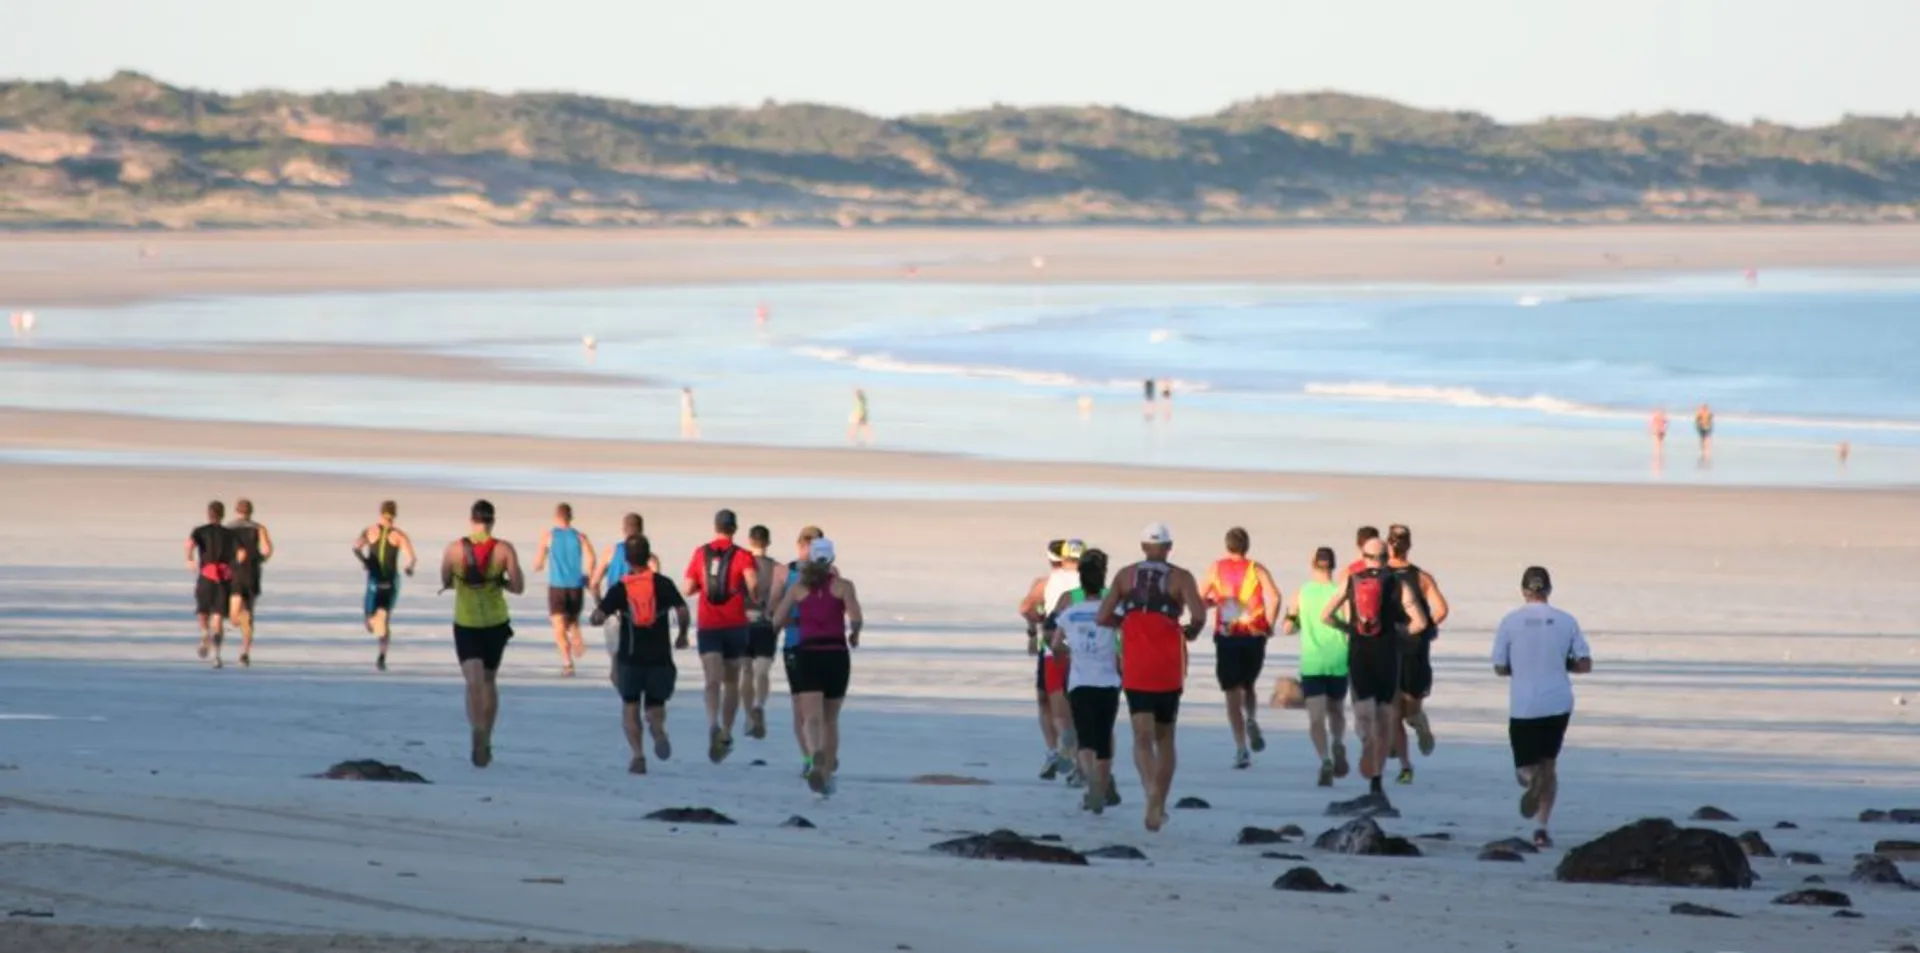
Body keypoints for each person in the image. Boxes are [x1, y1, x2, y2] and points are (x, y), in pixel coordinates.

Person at [1096, 523, 1208, 832]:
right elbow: (1198, 615)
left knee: (1141, 736)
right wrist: (1190, 632)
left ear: (1144, 547)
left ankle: (1150, 790)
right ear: (1169, 547)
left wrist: (1127, 621)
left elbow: (1102, 617)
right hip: (1169, 665)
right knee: (1165, 736)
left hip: (1137, 664)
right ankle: (1160, 800)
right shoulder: (1181, 577)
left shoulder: (1124, 575)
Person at [1320, 537, 1429, 812]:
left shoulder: (1351, 580)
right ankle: (1377, 779)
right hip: (1387, 655)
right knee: (1384, 715)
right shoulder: (1398, 582)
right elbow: (1420, 622)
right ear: (1386, 556)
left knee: (1362, 710)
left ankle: (1364, 737)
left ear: (1363, 555)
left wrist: (1350, 630)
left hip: (1359, 654)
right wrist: (1400, 632)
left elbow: (1326, 616)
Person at [1492, 566, 1592, 849]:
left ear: (1524, 591)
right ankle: (1541, 828)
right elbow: (1585, 664)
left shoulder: (1511, 622)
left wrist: (1520, 666)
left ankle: (1533, 781)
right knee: (1549, 766)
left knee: (1526, 768)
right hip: (1559, 701)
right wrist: (1561, 663)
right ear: (1548, 590)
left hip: (1525, 703)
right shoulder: (1566, 621)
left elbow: (1499, 667)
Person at [768, 537, 863, 796]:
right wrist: (854, 635)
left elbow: (776, 620)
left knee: (811, 717)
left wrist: (782, 630)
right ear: (832, 559)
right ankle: (826, 774)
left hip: (807, 654)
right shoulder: (844, 586)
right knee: (831, 720)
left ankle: (814, 754)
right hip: (836, 655)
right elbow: (855, 618)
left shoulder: (799, 588)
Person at [589, 534, 690, 775]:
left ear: (627, 559)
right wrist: (682, 634)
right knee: (656, 705)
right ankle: (658, 731)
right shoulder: (663, 583)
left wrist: (599, 616)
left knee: (630, 706)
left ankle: (638, 755)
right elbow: (682, 609)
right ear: (649, 555)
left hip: (630, 658)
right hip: (660, 658)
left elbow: (597, 616)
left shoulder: (621, 588)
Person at [439, 500, 525, 768]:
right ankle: (487, 733)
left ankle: (476, 728)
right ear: (492, 521)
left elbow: (444, 580)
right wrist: (498, 582)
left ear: (471, 520)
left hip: (466, 623)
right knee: (489, 680)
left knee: (472, 681)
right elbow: (518, 586)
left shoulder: (454, 549)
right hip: (496, 623)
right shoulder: (504, 549)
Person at [1045, 549, 1124, 814]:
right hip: (1110, 676)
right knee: (1105, 734)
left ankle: (1093, 782)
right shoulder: (1114, 601)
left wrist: (1065, 655)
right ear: (1104, 573)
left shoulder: (1070, 601)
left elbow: (1051, 636)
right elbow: (1127, 638)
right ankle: (1103, 781)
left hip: (1079, 677)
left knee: (1084, 736)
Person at [683, 508, 760, 763]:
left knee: (711, 679)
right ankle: (726, 731)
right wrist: (753, 599)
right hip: (735, 625)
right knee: (731, 682)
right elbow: (753, 585)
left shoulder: (700, 552)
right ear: (734, 529)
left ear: (715, 527)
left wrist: (702, 587)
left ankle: (712, 722)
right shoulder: (742, 555)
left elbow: (688, 588)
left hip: (708, 625)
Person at [1201, 527, 1281, 769]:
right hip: (1253, 635)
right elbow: (1275, 597)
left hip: (1227, 636)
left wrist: (1213, 603)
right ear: (1247, 546)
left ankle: (1241, 748)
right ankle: (1252, 718)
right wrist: (1268, 624)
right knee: (1248, 685)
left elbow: (1199, 598)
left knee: (1231, 694)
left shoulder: (1216, 568)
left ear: (1227, 546)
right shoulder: (1256, 568)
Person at [1385, 524, 1450, 784]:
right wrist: (1426, 628)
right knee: (1409, 707)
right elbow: (1442, 609)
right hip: (1417, 648)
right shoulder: (1421, 577)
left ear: (1389, 545)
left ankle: (1401, 755)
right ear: (1409, 546)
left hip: (1390, 647)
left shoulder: (1380, 576)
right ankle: (1415, 728)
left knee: (1393, 709)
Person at [1283, 547, 1350, 786]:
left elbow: (1288, 628)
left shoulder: (1301, 593)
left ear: (1313, 564)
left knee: (1316, 718)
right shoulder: (1341, 593)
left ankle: (1325, 760)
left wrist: (1295, 619)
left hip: (1312, 663)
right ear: (1332, 566)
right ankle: (1339, 742)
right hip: (1339, 660)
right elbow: (1350, 625)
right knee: (1337, 711)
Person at [1019, 539, 1082, 782]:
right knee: (1076, 706)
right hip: (1085, 651)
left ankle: (1057, 751)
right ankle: (1077, 763)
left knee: (1053, 705)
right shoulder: (1091, 585)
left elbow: (1026, 608)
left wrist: (1034, 630)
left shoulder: (1047, 582)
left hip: (1053, 649)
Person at [767, 525, 826, 774]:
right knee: (813, 707)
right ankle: (814, 757)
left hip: (803, 645)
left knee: (806, 707)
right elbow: (772, 608)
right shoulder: (826, 573)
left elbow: (772, 608)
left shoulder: (787, 572)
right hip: (813, 644)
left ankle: (812, 757)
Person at [532, 503, 597, 677]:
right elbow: (591, 557)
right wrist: (589, 576)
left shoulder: (549, 536)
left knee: (558, 627)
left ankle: (568, 662)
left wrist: (538, 565)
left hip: (557, 587)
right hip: (575, 586)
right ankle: (575, 632)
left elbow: (538, 562)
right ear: (570, 517)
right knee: (571, 620)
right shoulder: (580, 537)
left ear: (556, 517)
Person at [353, 501, 417, 672]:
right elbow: (411, 558)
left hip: (375, 581)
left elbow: (356, 547)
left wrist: (365, 561)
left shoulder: (370, 531)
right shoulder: (399, 536)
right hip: (390, 582)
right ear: (394, 516)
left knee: (370, 620)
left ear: (380, 514)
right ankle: (382, 655)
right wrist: (409, 568)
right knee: (384, 619)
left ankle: (374, 626)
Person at [184, 501, 240, 669]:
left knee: (202, 611)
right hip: (223, 577)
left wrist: (189, 558)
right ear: (222, 515)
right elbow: (241, 553)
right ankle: (217, 655)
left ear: (209, 514)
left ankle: (204, 634)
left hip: (207, 575)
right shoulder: (230, 534)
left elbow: (189, 544)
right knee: (218, 617)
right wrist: (235, 566)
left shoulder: (200, 531)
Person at [741, 524, 781, 740]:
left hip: (743, 622)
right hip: (766, 623)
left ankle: (749, 717)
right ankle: (759, 704)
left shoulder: (741, 565)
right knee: (762, 671)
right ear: (768, 542)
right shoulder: (777, 569)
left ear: (750, 541)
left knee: (746, 671)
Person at [225, 498, 274, 668]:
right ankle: (245, 652)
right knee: (249, 613)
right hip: (252, 572)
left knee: (233, 617)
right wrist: (259, 559)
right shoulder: (259, 528)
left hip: (235, 572)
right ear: (251, 512)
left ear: (237, 511)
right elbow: (268, 549)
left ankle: (242, 622)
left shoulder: (228, 529)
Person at [591, 513, 660, 597]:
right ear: (641, 530)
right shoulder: (651, 558)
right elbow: (656, 586)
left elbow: (594, 583)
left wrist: (601, 604)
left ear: (624, 529)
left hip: (614, 602)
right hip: (637, 603)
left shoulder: (610, 552)